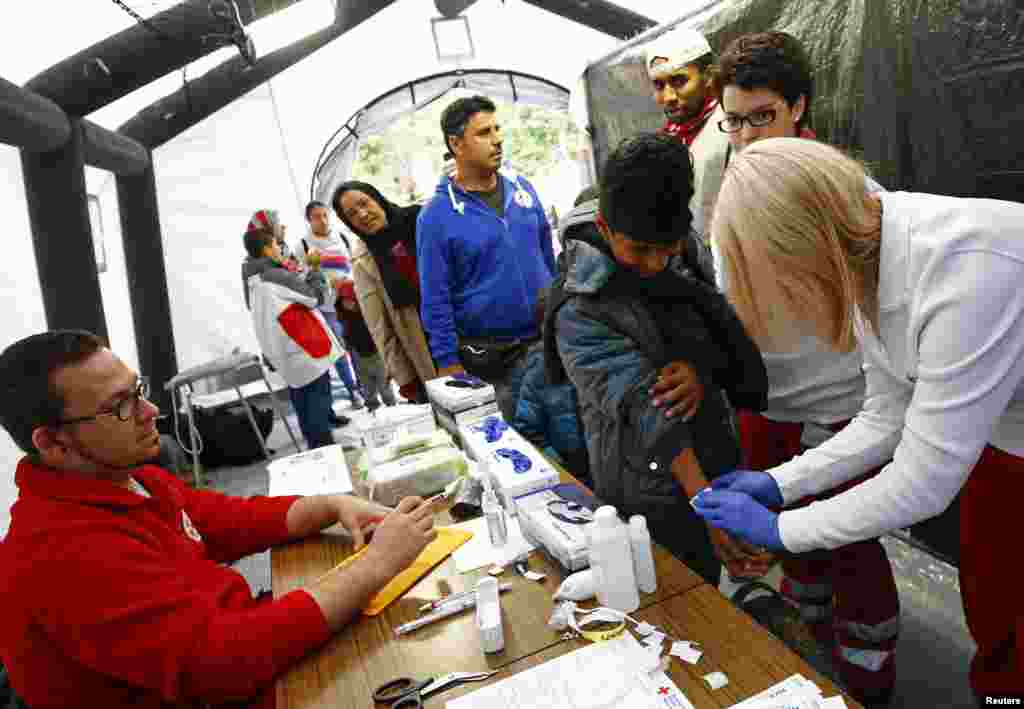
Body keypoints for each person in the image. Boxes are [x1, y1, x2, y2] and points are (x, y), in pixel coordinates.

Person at [692, 137, 1024, 704]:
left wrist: (781, 529)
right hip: (1006, 431)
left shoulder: (968, 271)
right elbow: (886, 414)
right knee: (993, 604)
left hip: (1007, 432)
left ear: (804, 250)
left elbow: (924, 482)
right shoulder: (865, 254)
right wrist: (780, 482)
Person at [0, 330, 437, 709]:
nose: (150, 411)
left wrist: (331, 504)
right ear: (54, 442)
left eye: (139, 390)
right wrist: (377, 564)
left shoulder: (129, 480)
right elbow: (222, 662)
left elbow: (228, 520)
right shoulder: (56, 552)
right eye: (120, 406)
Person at [708, 32, 899, 704]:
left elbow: (883, 324)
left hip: (843, 409)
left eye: (762, 115)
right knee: (795, 554)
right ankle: (809, 647)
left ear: (797, 107)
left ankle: (871, 668)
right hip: (768, 406)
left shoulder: (844, 191)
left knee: (849, 543)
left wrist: (840, 424)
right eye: (733, 120)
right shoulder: (729, 188)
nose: (747, 135)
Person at [545, 132, 769, 585]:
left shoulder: (681, 247)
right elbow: (648, 408)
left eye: (665, 250)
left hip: (711, 449)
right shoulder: (579, 307)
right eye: (640, 250)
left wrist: (700, 370)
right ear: (606, 229)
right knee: (670, 591)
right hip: (648, 484)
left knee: (715, 589)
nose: (655, 264)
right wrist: (706, 504)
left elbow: (715, 324)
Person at [417, 95, 557, 420]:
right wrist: (448, 365)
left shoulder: (522, 188)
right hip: (493, 362)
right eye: (483, 133)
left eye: (497, 128)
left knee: (569, 439)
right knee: (519, 449)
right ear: (456, 144)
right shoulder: (437, 215)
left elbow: (547, 256)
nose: (497, 139)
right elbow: (435, 298)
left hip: (546, 344)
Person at [333, 181, 437, 405]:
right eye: (352, 214)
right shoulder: (363, 259)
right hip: (423, 349)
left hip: (469, 337)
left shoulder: (420, 220)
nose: (362, 214)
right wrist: (406, 379)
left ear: (377, 198)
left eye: (364, 203)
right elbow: (380, 327)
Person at [243, 227, 345, 447]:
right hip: (305, 348)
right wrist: (315, 269)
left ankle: (317, 450)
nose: (279, 248)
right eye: (275, 244)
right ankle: (326, 451)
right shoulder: (274, 275)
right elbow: (315, 297)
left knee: (303, 404)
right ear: (267, 249)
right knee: (318, 402)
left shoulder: (251, 278)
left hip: (286, 351)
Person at [644, 25, 731, 239]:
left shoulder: (735, 125)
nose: (668, 96)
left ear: (709, 76)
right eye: (658, 85)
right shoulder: (666, 139)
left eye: (679, 81)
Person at [511, 287, 589, 483]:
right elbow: (528, 430)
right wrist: (558, 466)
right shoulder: (539, 373)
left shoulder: (601, 362)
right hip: (569, 470)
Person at [302, 201, 365, 410]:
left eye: (325, 215)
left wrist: (349, 283)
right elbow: (302, 278)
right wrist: (326, 280)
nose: (322, 220)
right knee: (338, 351)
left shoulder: (342, 237)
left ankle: (365, 386)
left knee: (358, 344)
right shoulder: (303, 245)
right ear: (309, 220)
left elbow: (355, 264)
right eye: (317, 217)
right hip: (327, 307)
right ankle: (352, 391)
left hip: (351, 301)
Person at [336, 280, 397, 412]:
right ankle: (372, 406)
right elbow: (347, 337)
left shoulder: (366, 314)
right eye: (344, 301)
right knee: (367, 386)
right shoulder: (344, 317)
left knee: (384, 384)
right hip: (359, 358)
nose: (348, 303)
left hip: (375, 354)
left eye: (350, 299)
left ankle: (391, 405)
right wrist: (348, 346)